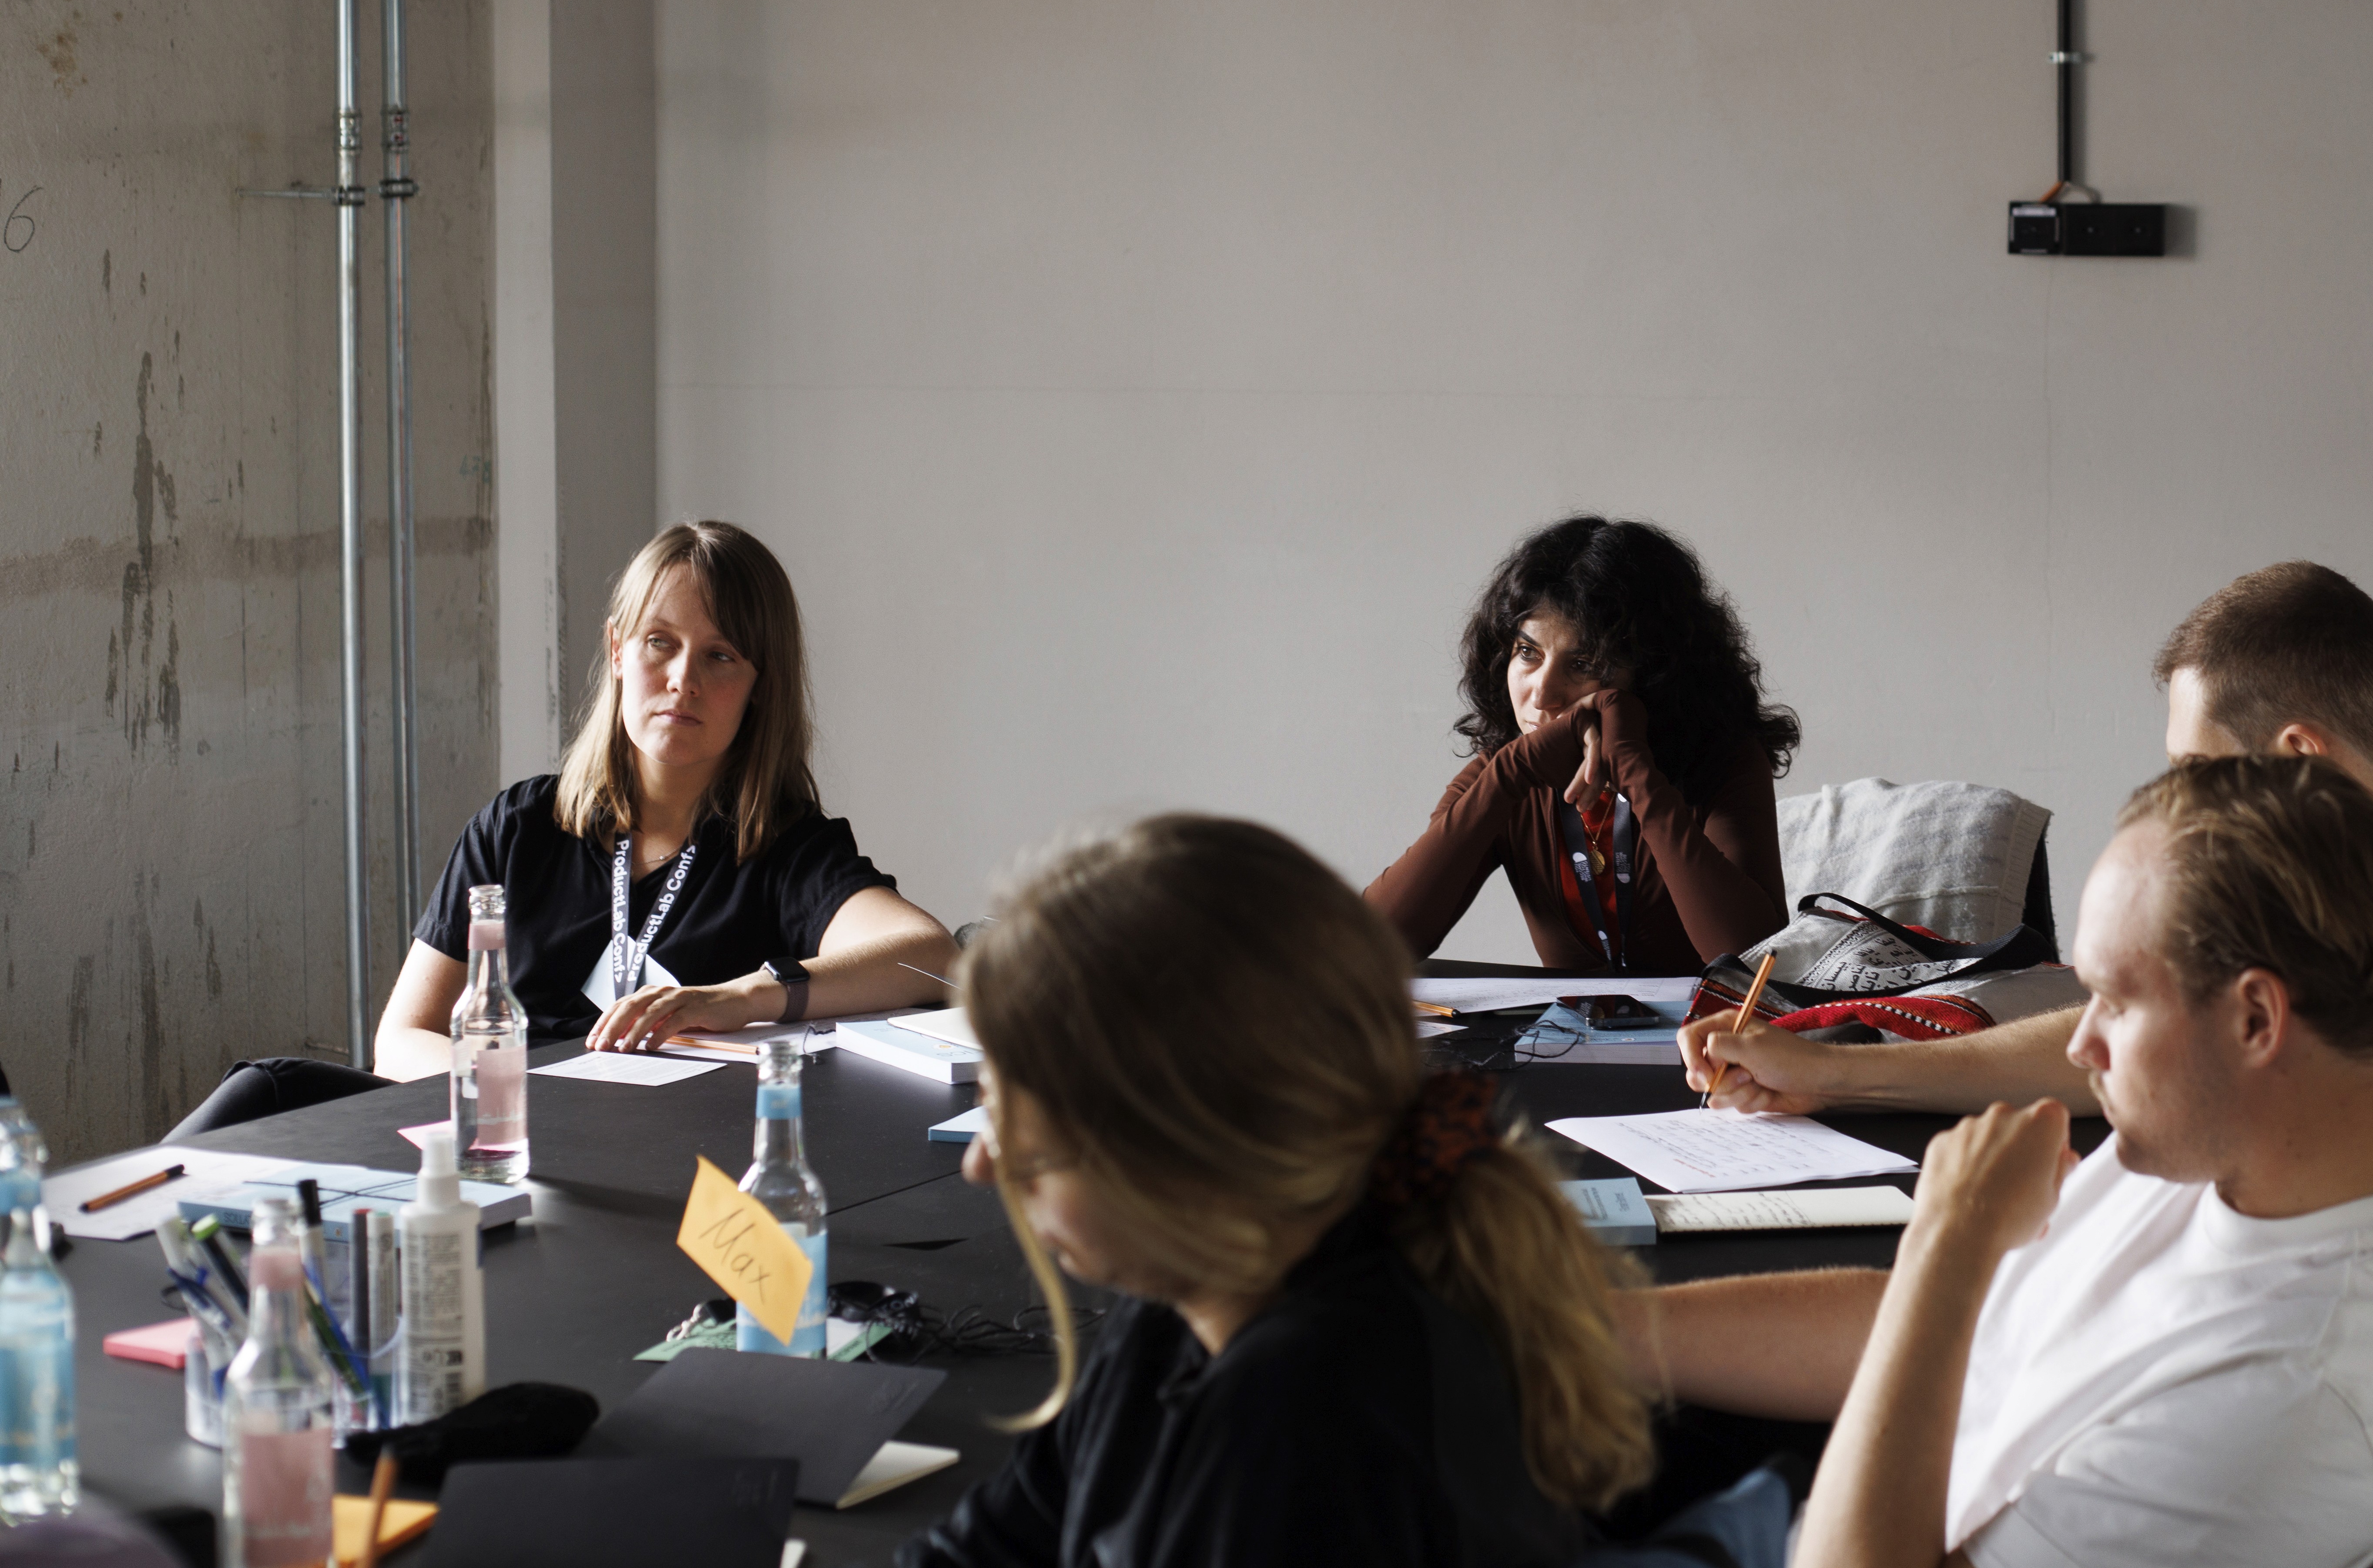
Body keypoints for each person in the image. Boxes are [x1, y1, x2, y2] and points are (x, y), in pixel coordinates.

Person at [1632, 757, 2373, 1568]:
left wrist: (1947, 1244)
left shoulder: (2287, 1400)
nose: (2081, 1043)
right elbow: (1979, 1333)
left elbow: (1939, 1328)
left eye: (2117, 1004)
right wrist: (1574, 1331)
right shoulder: (2254, 1154)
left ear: (2253, 1020)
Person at [1685, 563, 2373, 1316]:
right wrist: (1837, 1072)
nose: (2180, 808)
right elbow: (2124, 1052)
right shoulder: (2332, 910)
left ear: (2299, 762)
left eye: (2196, 771)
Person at [901, 814, 1654, 1567]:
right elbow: (987, 1549)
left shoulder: (1303, 1417)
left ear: (1176, 1141)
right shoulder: (1173, 1315)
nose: (981, 1165)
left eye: (1017, 1124)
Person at [171, 521, 956, 1134]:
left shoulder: (782, 848)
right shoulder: (519, 827)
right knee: (263, 1092)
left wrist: (742, 996)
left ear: (758, 686)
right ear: (618, 650)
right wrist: (527, 1095)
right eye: (661, 642)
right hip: (495, 1133)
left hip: (663, 1157)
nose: (682, 678)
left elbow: (934, 962)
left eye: (721, 657)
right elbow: (402, 1041)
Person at [1368, 517, 1797, 972]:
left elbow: (1750, 959)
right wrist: (1510, 774)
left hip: (1707, 1042)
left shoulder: (1725, 762)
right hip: (1561, 1043)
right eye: (1528, 654)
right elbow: (1373, 946)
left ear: (1654, 676)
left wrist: (1634, 769)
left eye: (1583, 663)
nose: (1541, 694)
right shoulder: (1505, 773)